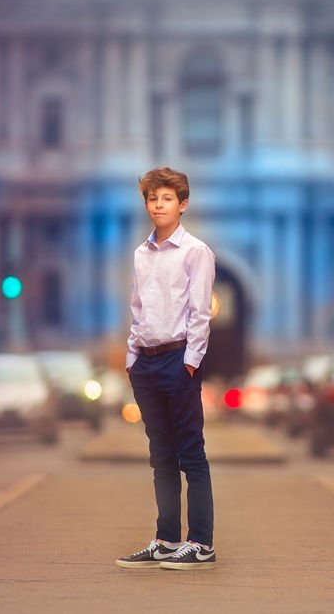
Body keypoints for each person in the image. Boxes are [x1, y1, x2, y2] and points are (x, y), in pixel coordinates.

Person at [115, 167, 217, 571]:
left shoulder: (196, 252)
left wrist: (190, 361)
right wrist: (131, 356)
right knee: (160, 456)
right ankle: (166, 539)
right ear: (146, 205)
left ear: (183, 204)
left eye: (167, 198)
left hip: (178, 361)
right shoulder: (141, 254)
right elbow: (137, 306)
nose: (159, 205)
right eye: (153, 199)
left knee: (191, 453)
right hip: (146, 361)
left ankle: (202, 543)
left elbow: (201, 313)